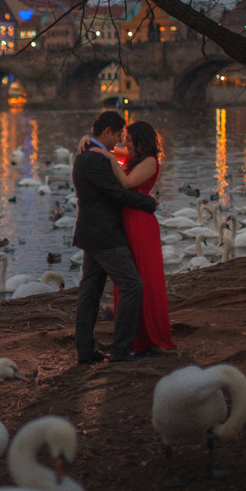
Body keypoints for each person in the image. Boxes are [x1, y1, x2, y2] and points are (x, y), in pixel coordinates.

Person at [82, 120, 176, 354]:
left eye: (131, 140)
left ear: (141, 141)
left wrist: (111, 159)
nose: (126, 144)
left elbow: (126, 183)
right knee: (130, 282)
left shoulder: (150, 162)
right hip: (127, 224)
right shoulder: (133, 158)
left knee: (143, 280)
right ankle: (134, 338)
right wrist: (86, 140)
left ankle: (150, 337)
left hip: (141, 226)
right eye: (126, 139)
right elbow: (104, 148)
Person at [72, 110, 157, 364]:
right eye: (118, 135)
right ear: (107, 131)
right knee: (132, 285)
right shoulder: (94, 160)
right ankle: (120, 349)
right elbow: (117, 194)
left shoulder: (89, 155)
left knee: (90, 292)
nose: (120, 141)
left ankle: (85, 352)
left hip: (92, 234)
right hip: (106, 234)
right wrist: (148, 203)